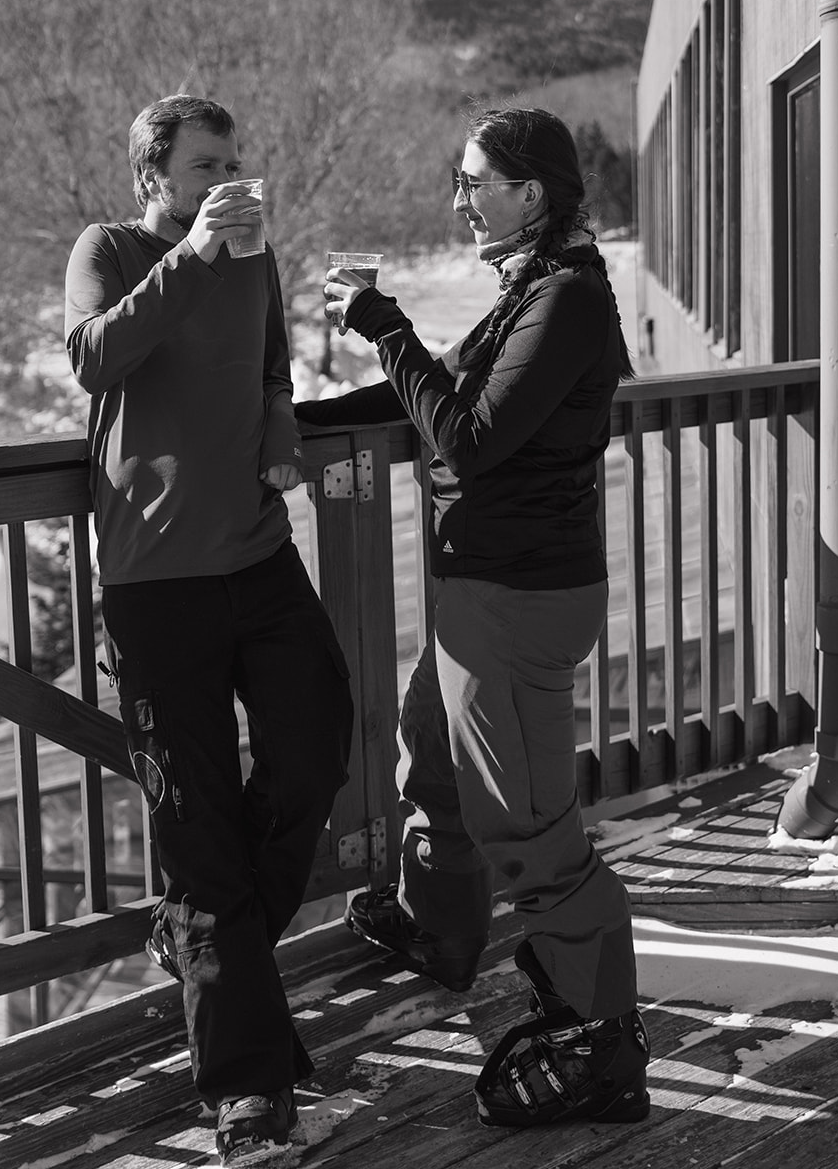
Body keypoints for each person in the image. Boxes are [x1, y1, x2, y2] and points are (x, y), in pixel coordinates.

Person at [294, 106, 649, 1132]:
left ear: (529, 192)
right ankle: (438, 927)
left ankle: (603, 1043)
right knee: (429, 755)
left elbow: (470, 438)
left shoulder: (568, 300)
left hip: (518, 596)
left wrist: (383, 321)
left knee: (531, 834)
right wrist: (291, 422)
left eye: (473, 181)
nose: (459, 199)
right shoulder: (531, 291)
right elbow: (435, 397)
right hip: (483, 587)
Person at [64, 94, 353, 1164]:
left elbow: (271, 369)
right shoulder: (110, 247)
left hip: (256, 550)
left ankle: (201, 946)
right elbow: (95, 357)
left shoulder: (253, 258)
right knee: (195, 823)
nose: (227, 175)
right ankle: (246, 1087)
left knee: (318, 742)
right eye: (205, 163)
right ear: (156, 174)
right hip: (155, 578)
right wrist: (187, 252)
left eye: (234, 159)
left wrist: (279, 434)